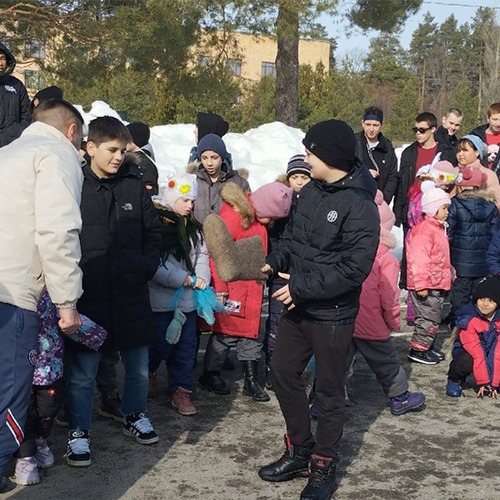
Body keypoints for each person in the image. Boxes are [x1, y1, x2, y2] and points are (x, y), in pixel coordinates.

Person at [258, 120, 379, 500]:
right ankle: (300, 450)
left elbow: (354, 269)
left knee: (328, 392)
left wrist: (301, 287)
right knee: (282, 372)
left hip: (332, 315)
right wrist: (274, 260)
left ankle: (324, 464)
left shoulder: (361, 206)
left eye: (310, 152)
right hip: (298, 306)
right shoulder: (310, 191)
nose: (306, 158)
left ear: (329, 157)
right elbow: (293, 239)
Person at [64, 116, 162, 467]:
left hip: (131, 294)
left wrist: (143, 266)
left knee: (137, 368)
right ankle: (78, 432)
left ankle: (134, 415)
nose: (119, 157)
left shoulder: (134, 187)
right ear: (90, 148)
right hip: (89, 296)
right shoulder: (74, 186)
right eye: (112, 150)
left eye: (123, 150)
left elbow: (154, 234)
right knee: (82, 374)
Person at [0, 98, 84, 489]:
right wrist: (67, 301)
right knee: (10, 396)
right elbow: (57, 230)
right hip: (14, 294)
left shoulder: (7, 153)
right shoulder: (57, 154)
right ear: (72, 131)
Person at [199, 181, 294, 403]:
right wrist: (220, 288)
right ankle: (210, 372)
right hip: (233, 289)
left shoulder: (256, 219)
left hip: (253, 288)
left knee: (252, 333)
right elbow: (216, 253)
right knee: (226, 333)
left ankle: (251, 380)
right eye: (271, 217)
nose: (272, 223)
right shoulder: (234, 218)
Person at [348, 191, 426, 415]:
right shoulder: (387, 260)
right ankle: (400, 397)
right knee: (385, 360)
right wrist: (392, 322)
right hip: (371, 319)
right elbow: (389, 297)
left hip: (345, 315)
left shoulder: (349, 252)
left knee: (339, 361)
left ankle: (326, 401)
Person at [148, 173, 210, 416]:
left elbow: (201, 255)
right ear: (172, 198)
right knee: (159, 345)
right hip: (160, 303)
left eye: (192, 201)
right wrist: (180, 278)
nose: (190, 205)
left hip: (187, 302)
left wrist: (201, 275)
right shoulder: (157, 226)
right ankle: (150, 372)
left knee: (186, 349)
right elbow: (154, 262)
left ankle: (181, 391)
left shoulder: (193, 228)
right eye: (185, 200)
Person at [264, 154, 311, 389]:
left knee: (301, 325)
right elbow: (275, 239)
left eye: (304, 177)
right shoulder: (280, 202)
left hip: (304, 275)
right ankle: (272, 369)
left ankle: (296, 370)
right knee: (276, 322)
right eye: (295, 177)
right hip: (281, 272)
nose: (299, 182)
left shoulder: (315, 203)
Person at [447, 167, 500, 325]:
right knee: (480, 299)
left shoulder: (455, 204)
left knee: (460, 298)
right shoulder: (491, 206)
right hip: (483, 263)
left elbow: (449, 232)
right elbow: (494, 235)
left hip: (460, 262)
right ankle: (480, 328)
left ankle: (460, 328)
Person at [406, 185, 451, 365]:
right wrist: (421, 283)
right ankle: (418, 350)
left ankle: (427, 346)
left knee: (433, 316)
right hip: (427, 284)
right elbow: (419, 260)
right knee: (427, 318)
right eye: (444, 208)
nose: (447, 212)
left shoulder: (438, 229)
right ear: (433, 209)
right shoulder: (424, 231)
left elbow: (441, 257)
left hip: (436, 282)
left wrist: (450, 273)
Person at [394, 112, 455, 228]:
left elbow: (452, 182)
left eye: (422, 130)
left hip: (437, 212)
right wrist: (398, 213)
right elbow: (402, 184)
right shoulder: (409, 153)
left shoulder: (446, 153)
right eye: (415, 130)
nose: (418, 133)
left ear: (433, 130)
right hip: (412, 211)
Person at [446, 276, 500, 398]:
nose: (485, 304)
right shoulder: (469, 320)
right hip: (471, 353)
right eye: (481, 299)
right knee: (467, 359)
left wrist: (493, 384)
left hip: (491, 353)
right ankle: (455, 379)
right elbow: (477, 353)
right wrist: (484, 382)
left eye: (491, 301)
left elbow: (497, 353)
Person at [190, 133, 250, 224]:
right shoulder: (192, 180)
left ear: (222, 157)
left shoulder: (239, 183)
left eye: (214, 158)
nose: (209, 163)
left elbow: (248, 213)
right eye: (204, 158)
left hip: (228, 232)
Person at [355, 106, 398, 204]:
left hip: (380, 202)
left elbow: (392, 176)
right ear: (362, 123)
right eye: (368, 124)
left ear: (382, 125)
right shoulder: (354, 143)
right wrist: (364, 174)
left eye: (375, 125)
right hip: (356, 201)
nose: (371, 129)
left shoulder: (387, 147)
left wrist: (384, 200)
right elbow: (345, 171)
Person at [454, 134, 500, 210]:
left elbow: (497, 203)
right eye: (458, 151)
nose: (460, 154)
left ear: (477, 152)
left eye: (465, 150)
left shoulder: (489, 175)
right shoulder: (453, 172)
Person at [0, 42, 31, 147]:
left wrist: (19, 131)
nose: (0, 63)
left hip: (12, 144)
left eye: (2, 58)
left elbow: (27, 113)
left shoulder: (17, 85)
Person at [126, 122, 159, 196]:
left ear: (135, 140)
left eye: (126, 137)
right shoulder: (137, 159)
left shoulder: (143, 162)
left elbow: (150, 192)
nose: (123, 141)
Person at [470, 102, 500, 175]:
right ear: (488, 118)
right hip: (478, 176)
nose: (498, 124)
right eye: (495, 119)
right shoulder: (476, 135)